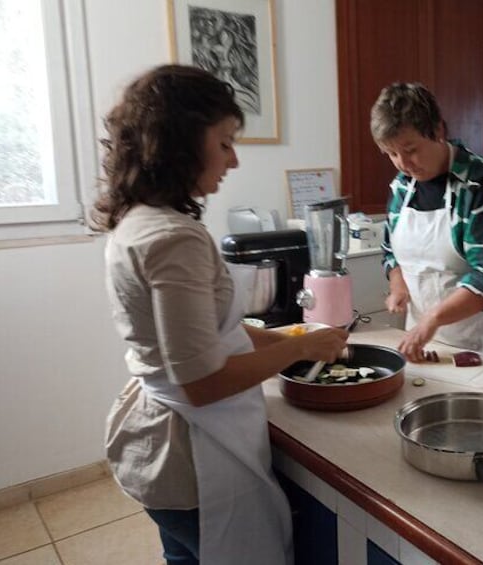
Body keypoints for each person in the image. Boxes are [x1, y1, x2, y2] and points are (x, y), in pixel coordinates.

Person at [93, 64, 348, 564]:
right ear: (181, 142)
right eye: (225, 142)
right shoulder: (172, 239)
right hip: (191, 455)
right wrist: (300, 347)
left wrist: (295, 340)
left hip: (158, 441)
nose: (233, 160)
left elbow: (215, 335)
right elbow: (202, 381)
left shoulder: (138, 220)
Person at [371, 82, 483, 366]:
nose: (403, 163)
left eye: (410, 149)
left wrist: (432, 319)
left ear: (437, 131)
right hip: (425, 343)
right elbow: (390, 251)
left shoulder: (482, 183)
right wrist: (398, 285)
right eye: (392, 154)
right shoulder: (401, 187)